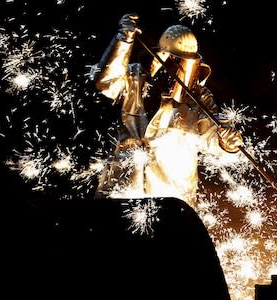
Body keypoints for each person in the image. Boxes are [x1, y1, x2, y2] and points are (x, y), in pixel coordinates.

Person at [91, 13, 243, 205]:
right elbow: (105, 83)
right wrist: (123, 41)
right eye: (173, 61)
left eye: (182, 64)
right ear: (160, 56)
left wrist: (226, 143)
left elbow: (212, 134)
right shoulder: (134, 78)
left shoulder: (198, 97)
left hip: (171, 196)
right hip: (123, 187)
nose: (176, 69)